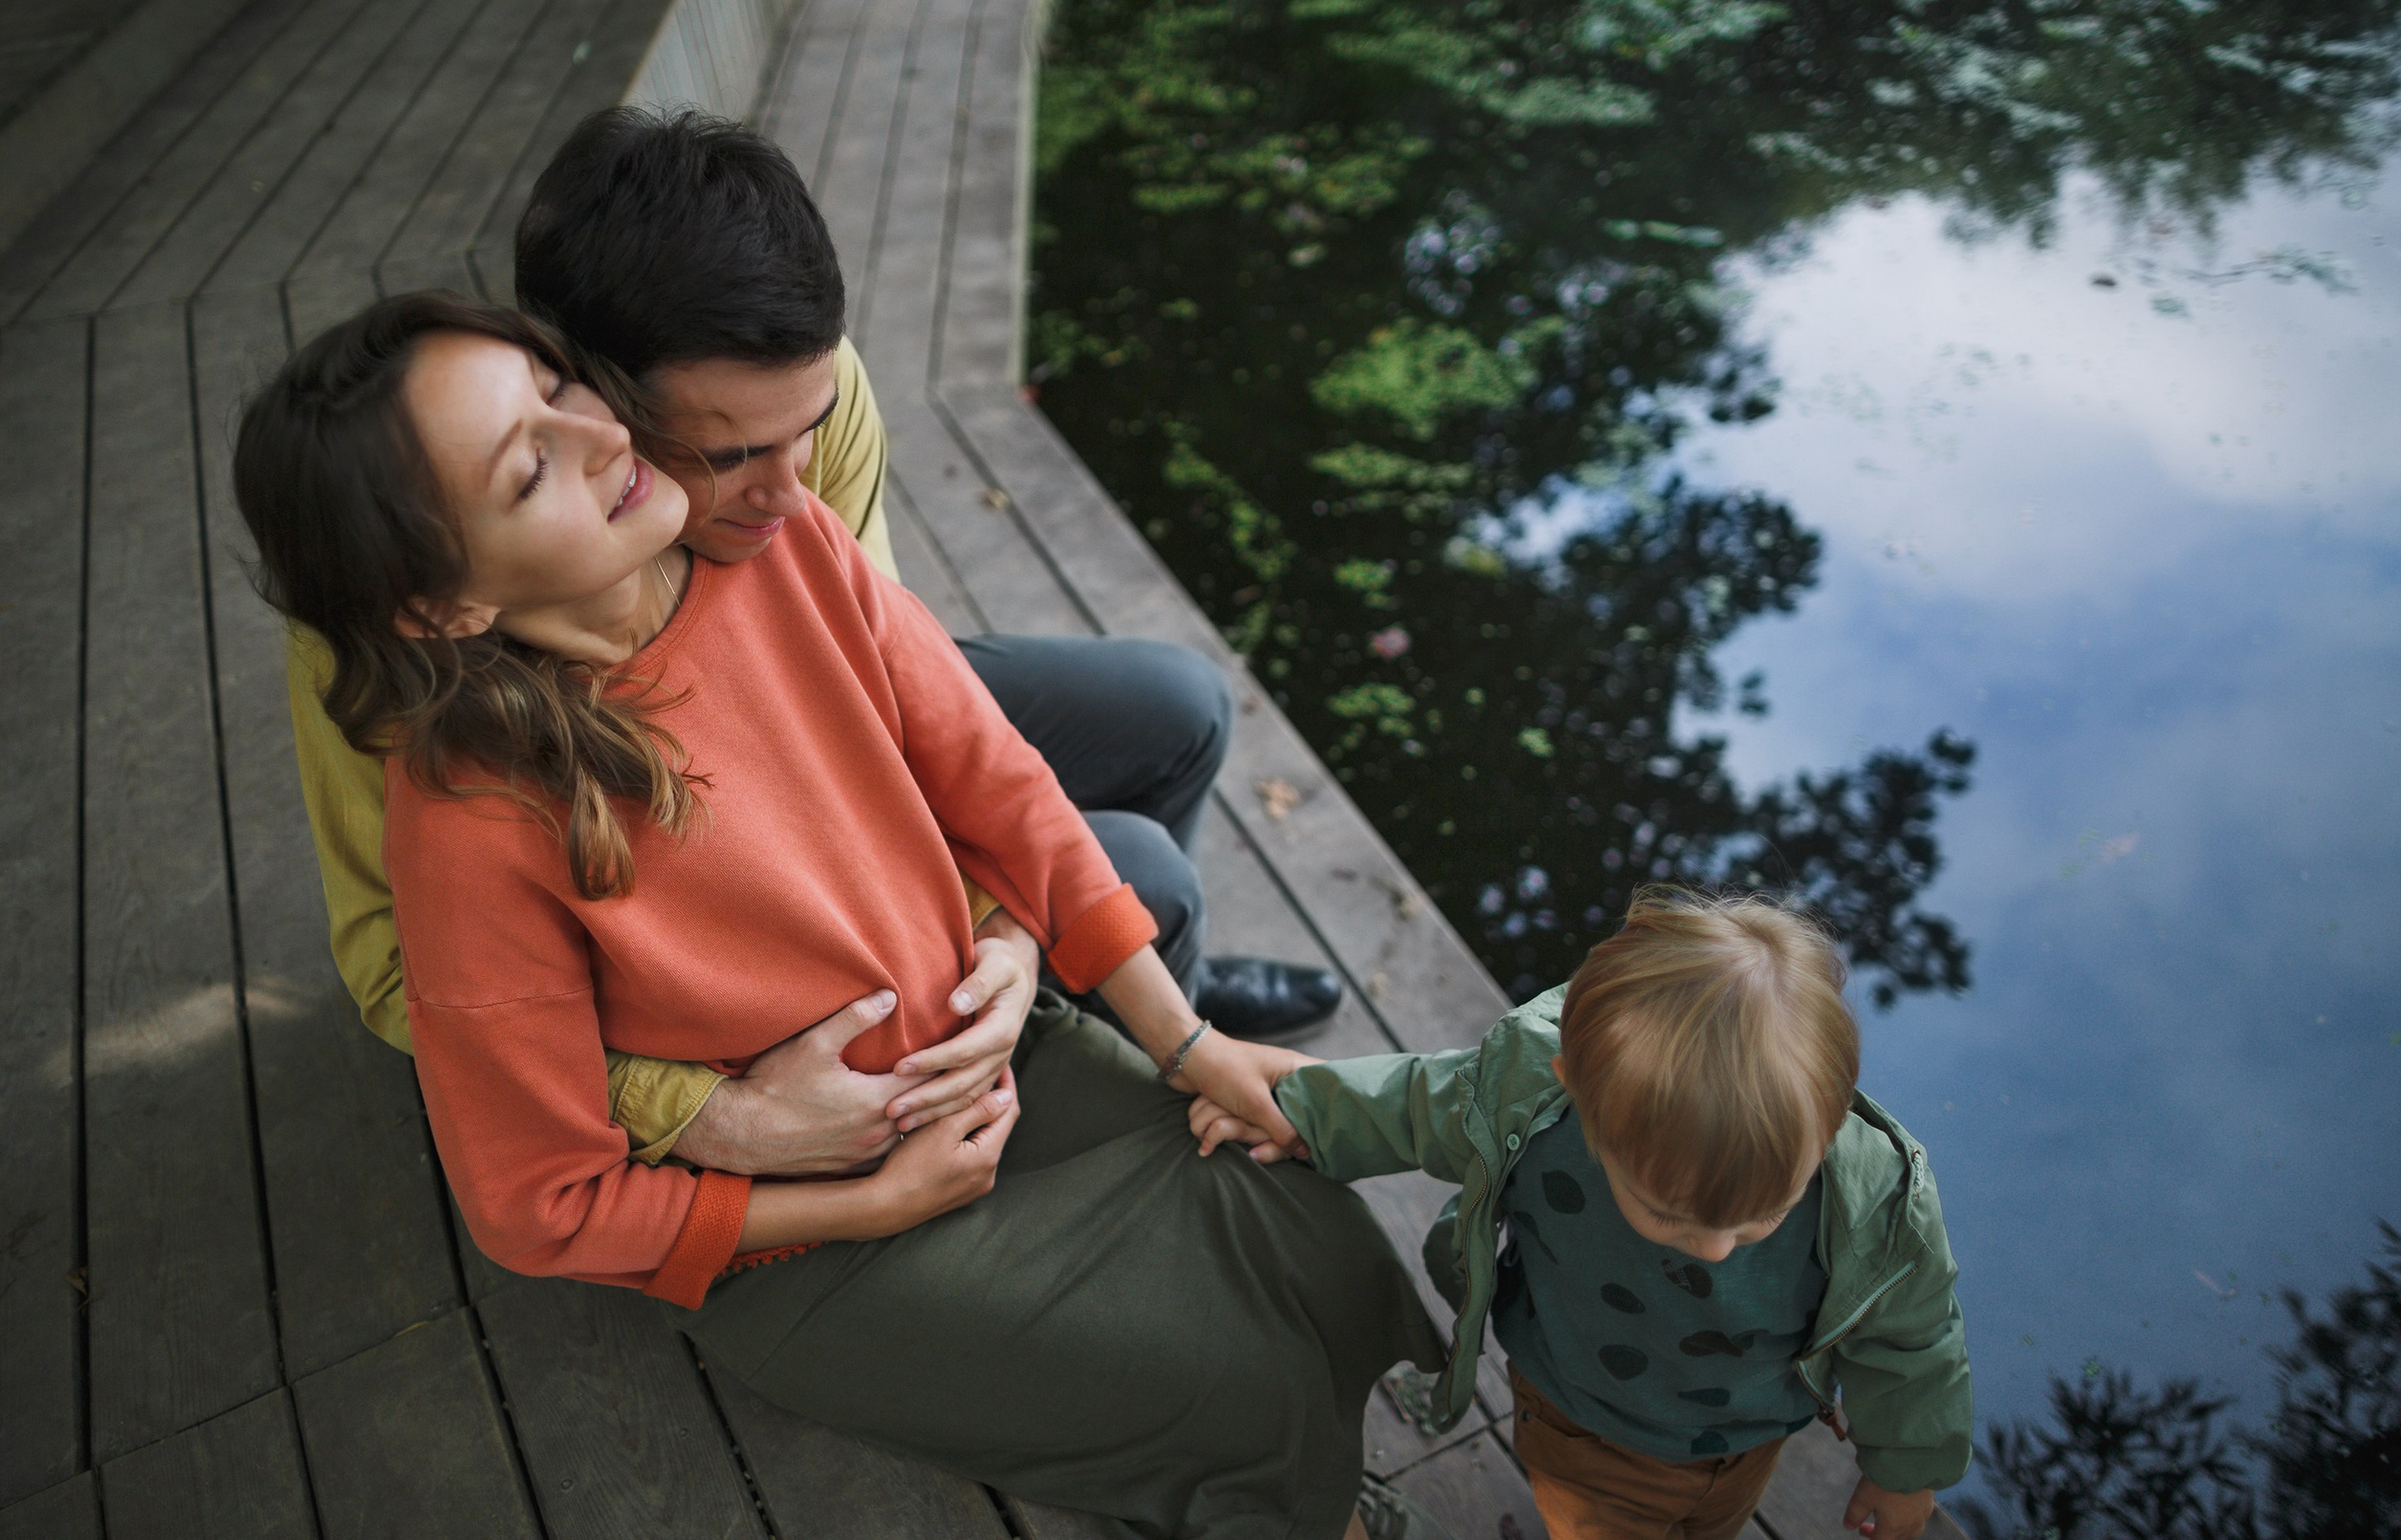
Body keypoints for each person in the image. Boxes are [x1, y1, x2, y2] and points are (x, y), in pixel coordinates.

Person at [234, 293, 1444, 1540]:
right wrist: (864, 1203)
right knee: (1218, 1385)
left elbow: (1003, 788)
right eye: (531, 461)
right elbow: (537, 1202)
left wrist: (1186, 1041)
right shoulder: (472, 820)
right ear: (444, 605)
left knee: (1303, 1216)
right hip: (806, 1234)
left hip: (1003, 1067)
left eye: (558, 387)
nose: (603, 434)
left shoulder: (784, 538)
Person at [284, 107, 1341, 1180]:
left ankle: (1144, 990)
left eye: (808, 428)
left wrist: (1009, 931)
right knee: (1142, 868)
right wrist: (705, 1113)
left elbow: (877, 704)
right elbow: (388, 965)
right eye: (729, 454)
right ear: (598, 399)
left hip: (811, 708)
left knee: (1180, 708)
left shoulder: (795, 409)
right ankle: (1132, 985)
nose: (791, 496)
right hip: (667, 883)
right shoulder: (403, 610)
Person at [1190, 890, 1974, 1540]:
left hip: (1746, 1436)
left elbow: (1915, 1342)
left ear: (1834, 1117)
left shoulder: (1877, 1201)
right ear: (1576, 1087)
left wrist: (1907, 1470)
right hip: (1579, 1416)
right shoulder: (1534, 1097)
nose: (1714, 1248)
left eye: (1761, 1215)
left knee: (1711, 1523)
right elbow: (1416, 1103)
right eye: (1670, 1212)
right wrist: (1301, 1109)